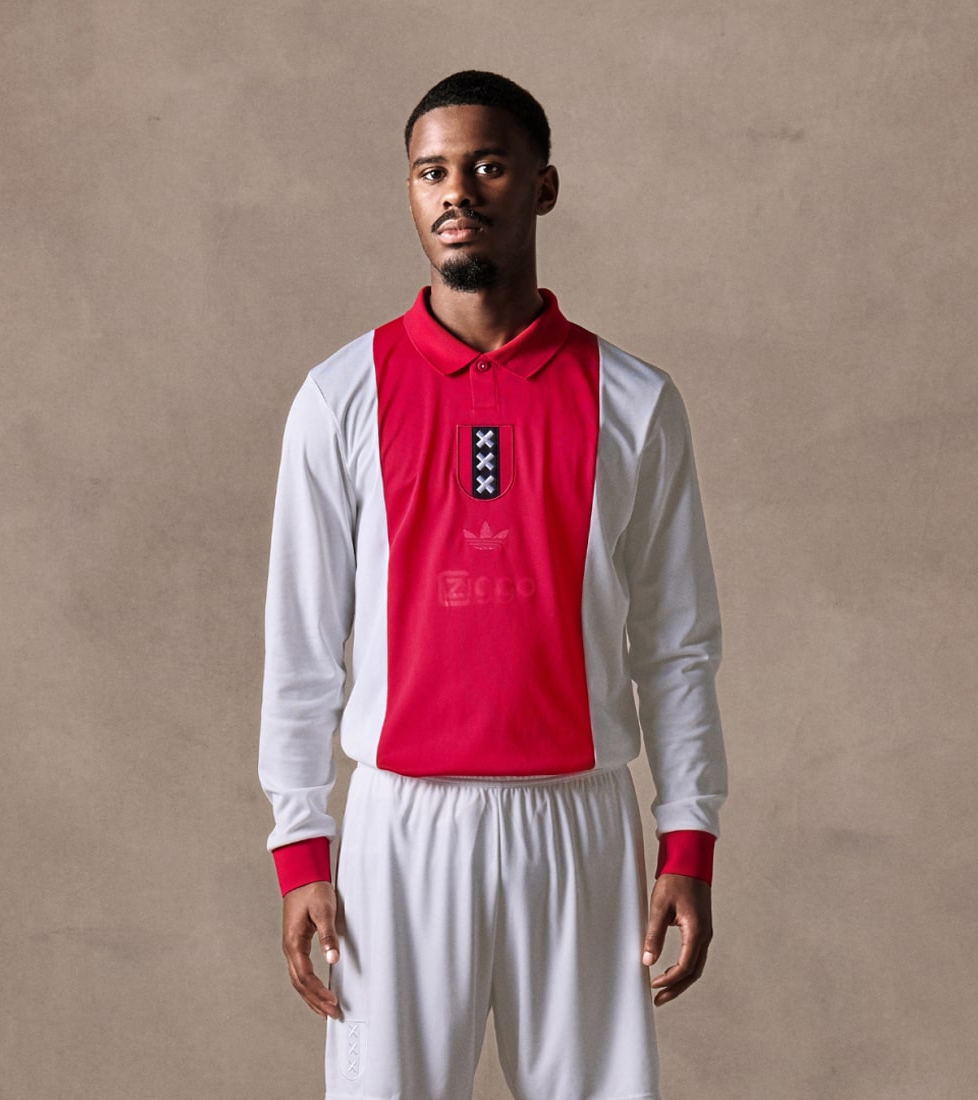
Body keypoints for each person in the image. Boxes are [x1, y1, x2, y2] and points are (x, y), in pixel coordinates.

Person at [258, 69, 729, 1100]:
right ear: (410, 192)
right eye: (431, 172)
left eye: (487, 166)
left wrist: (687, 836)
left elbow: (677, 643)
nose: (456, 192)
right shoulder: (340, 396)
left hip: (579, 820)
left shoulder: (634, 402)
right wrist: (301, 843)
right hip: (400, 824)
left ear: (543, 186)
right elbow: (301, 643)